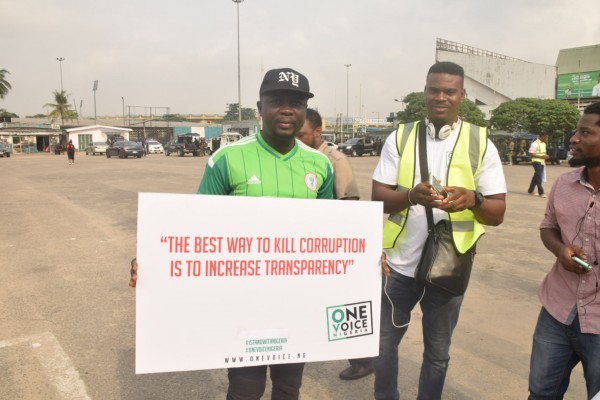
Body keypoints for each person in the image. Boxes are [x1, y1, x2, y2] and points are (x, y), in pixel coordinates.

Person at [131, 67, 334, 400]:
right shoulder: (227, 158)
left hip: (296, 301)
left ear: (304, 111)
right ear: (259, 108)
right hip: (243, 301)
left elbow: (331, 235)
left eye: (296, 103)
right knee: (245, 388)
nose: (286, 109)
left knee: (288, 387)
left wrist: (365, 261)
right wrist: (155, 261)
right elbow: (196, 227)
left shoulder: (319, 164)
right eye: (276, 101)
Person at [371, 61, 507, 400]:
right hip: (398, 265)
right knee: (383, 346)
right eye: (434, 90)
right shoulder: (400, 136)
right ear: (425, 92)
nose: (440, 97)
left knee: (437, 354)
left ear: (462, 95)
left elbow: (497, 213)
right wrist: (410, 196)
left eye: (449, 91)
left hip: (449, 267)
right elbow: (380, 199)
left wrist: (473, 200)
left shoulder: (481, 142)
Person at [527, 102, 600, 400]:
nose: (573, 139)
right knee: (541, 393)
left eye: (585, 132)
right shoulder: (564, 183)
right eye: (575, 131)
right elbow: (548, 227)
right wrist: (560, 250)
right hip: (557, 311)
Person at [296, 108, 374, 380]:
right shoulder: (301, 157)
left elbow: (349, 204)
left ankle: (363, 360)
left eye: (302, 134)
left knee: (340, 310)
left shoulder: (334, 160)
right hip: (308, 245)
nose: (297, 138)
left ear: (318, 131)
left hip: (331, 246)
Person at [528, 133, 549, 198]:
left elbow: (544, 152)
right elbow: (531, 153)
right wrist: (542, 156)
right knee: (539, 177)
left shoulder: (544, 144)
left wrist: (545, 156)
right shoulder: (534, 144)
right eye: (546, 137)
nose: (547, 139)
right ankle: (541, 192)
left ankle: (530, 190)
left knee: (536, 176)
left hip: (542, 162)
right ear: (543, 136)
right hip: (536, 161)